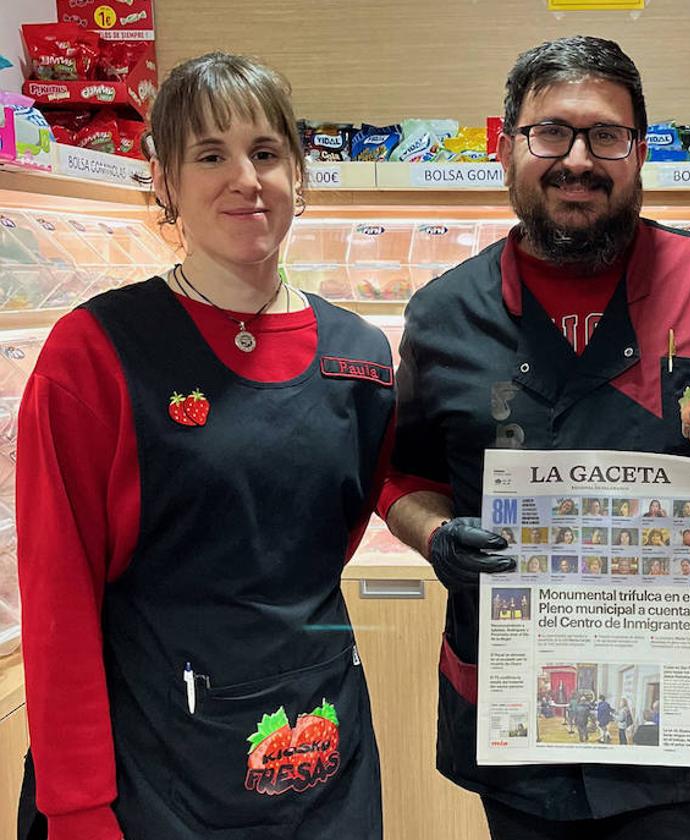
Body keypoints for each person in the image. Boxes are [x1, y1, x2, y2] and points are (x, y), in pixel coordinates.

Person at [384, 36, 690, 838]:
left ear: (639, 153)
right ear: (503, 146)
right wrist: (436, 537)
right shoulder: (442, 315)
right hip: (517, 707)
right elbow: (401, 475)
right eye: (550, 133)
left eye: (606, 136)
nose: (578, 159)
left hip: (689, 710)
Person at [15, 53, 390, 839]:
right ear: (164, 182)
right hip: (153, 765)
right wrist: (79, 807)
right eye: (210, 155)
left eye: (266, 152)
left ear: (298, 171)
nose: (245, 179)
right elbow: (58, 602)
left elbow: (327, 545)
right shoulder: (93, 353)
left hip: (322, 744)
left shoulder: (359, 353)